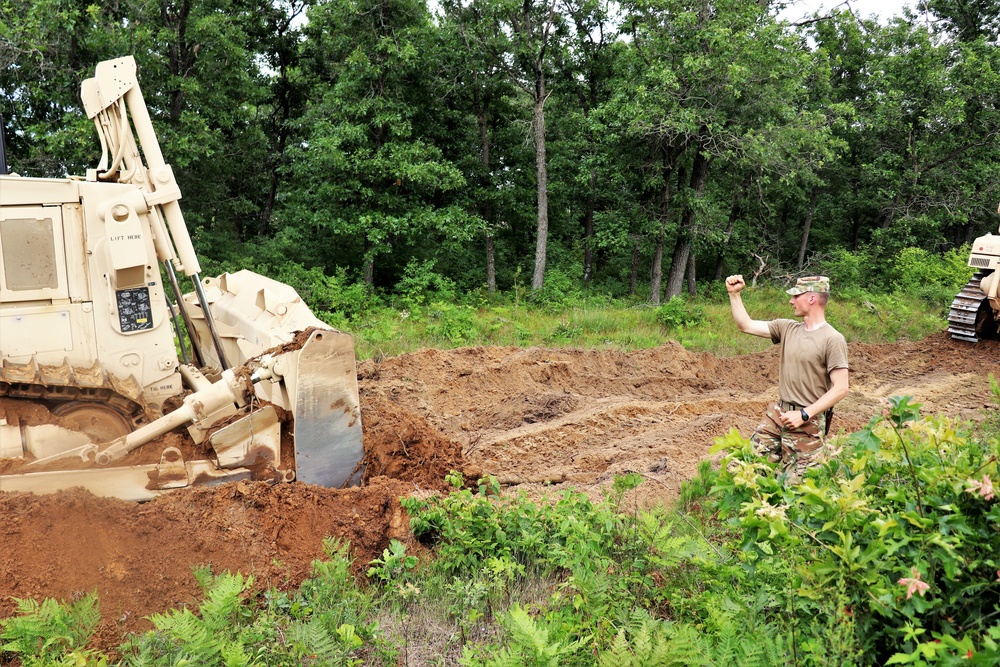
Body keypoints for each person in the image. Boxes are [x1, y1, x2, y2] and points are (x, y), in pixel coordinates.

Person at [725, 274, 850, 481]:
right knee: (744, 469)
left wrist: (803, 415)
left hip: (807, 422)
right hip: (778, 415)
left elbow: (841, 388)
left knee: (799, 487)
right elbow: (745, 325)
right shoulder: (787, 328)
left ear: (811, 299)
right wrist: (734, 295)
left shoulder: (833, 339)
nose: (791, 301)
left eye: (796, 296)